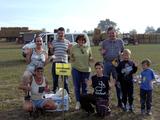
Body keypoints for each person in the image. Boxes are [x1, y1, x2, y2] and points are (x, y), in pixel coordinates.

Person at [101, 26, 124, 107]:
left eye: (113, 33)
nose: (112, 34)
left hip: (116, 64)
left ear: (116, 33)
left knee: (118, 82)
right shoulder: (104, 42)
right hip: (107, 63)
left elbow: (122, 51)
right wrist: (102, 53)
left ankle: (120, 102)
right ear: (107, 34)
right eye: (110, 33)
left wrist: (121, 56)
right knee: (105, 82)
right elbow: (102, 52)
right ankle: (105, 101)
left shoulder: (120, 41)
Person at [70, 35, 94, 110]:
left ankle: (84, 102)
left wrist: (91, 59)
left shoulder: (88, 47)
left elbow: (90, 56)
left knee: (85, 87)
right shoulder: (73, 48)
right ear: (77, 40)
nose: (81, 41)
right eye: (80, 40)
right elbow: (71, 58)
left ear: (85, 41)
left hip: (86, 70)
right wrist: (72, 57)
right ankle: (78, 102)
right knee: (77, 87)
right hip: (76, 69)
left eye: (83, 40)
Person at [48, 27, 71, 94]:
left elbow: (69, 53)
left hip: (64, 63)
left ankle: (67, 94)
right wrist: (51, 48)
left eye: (62, 33)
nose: (60, 34)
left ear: (64, 33)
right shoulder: (54, 41)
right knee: (55, 80)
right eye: (59, 33)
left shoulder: (67, 42)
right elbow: (52, 52)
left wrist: (69, 49)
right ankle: (55, 93)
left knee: (65, 81)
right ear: (57, 34)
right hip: (55, 62)